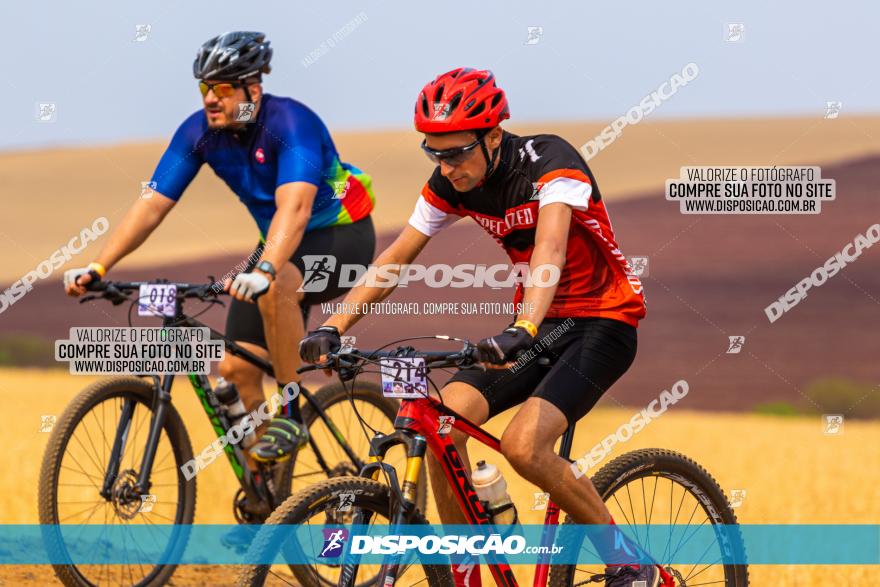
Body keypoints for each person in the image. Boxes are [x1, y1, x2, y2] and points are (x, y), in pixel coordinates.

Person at [299, 68, 652, 586]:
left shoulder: (552, 163)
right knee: (439, 425)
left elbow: (550, 249)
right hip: (535, 325)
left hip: (602, 321)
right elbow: (397, 257)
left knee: (524, 448)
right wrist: (334, 325)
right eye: (434, 153)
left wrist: (525, 327)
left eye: (457, 152)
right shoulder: (453, 182)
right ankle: (467, 570)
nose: (447, 166)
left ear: (492, 136)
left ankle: (629, 562)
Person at [63, 31, 376, 547]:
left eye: (225, 87)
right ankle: (270, 498)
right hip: (275, 244)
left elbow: (295, 211)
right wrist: (99, 265)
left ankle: (293, 412)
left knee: (278, 289)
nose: (211, 97)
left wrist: (269, 269)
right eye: (206, 86)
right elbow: (152, 204)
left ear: (253, 88)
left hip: (341, 236)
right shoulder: (200, 132)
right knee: (235, 370)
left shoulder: (290, 123)